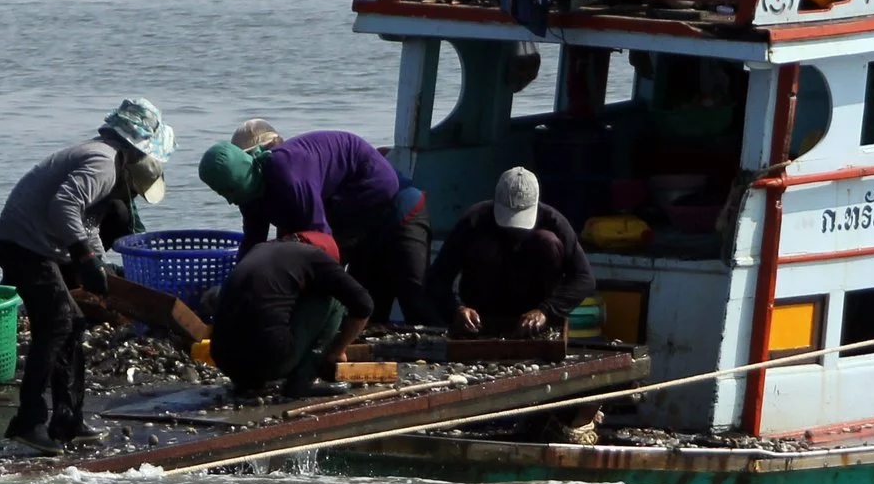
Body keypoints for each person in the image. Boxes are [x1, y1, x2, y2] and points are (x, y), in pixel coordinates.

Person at [0, 99, 172, 453]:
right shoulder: (104, 164)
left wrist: (98, 263)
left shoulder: (106, 157)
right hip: (22, 245)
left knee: (71, 324)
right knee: (59, 321)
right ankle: (28, 420)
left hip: (35, 245)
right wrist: (85, 258)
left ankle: (68, 418)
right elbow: (64, 206)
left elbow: (87, 223)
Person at [198, 126, 433, 327]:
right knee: (367, 302)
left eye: (231, 191)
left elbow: (322, 241)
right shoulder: (248, 196)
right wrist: (231, 291)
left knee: (413, 297)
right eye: (223, 193)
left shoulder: (288, 174)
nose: (230, 199)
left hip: (380, 194)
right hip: (355, 219)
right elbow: (252, 243)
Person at [428, 167, 597, 337]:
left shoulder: (554, 222)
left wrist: (546, 311)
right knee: (484, 244)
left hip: (536, 311)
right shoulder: (475, 220)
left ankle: (539, 321)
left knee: (548, 241)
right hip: (483, 312)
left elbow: (584, 279)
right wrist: (456, 309)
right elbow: (437, 277)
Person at [209, 232, 374, 399]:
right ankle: (302, 382)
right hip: (270, 363)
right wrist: (338, 350)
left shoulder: (261, 250)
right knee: (333, 299)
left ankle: (249, 384)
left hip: (226, 363)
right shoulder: (315, 256)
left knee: (269, 303)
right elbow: (364, 304)